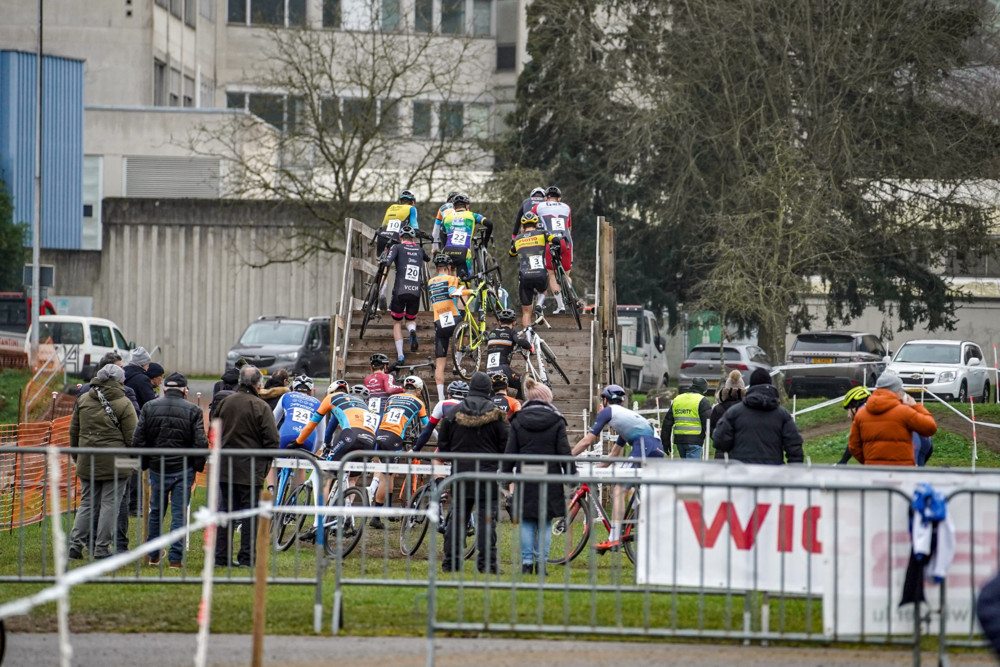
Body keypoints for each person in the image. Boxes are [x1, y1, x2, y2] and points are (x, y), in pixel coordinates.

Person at [571, 384, 664, 552]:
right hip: (655, 448)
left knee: (618, 488)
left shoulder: (608, 412)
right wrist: (595, 471)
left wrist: (568, 456)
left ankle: (614, 537)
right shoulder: (626, 419)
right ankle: (639, 512)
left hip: (644, 446)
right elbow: (612, 456)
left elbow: (587, 441)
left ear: (605, 400)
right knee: (623, 484)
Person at [131, 372, 208, 568]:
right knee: (179, 515)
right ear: (185, 391)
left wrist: (145, 464)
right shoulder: (193, 410)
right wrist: (196, 467)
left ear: (164, 389)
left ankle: (154, 555)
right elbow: (200, 443)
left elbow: (139, 440)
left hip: (157, 468)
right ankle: (176, 559)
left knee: (156, 512)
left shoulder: (149, 407)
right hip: (183, 469)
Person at [437, 371, 510, 574]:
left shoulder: (453, 413)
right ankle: (487, 564)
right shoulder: (497, 415)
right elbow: (506, 444)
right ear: (489, 390)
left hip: (461, 474)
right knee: (487, 520)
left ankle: (451, 563)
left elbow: (443, 445)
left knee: (457, 518)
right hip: (487, 474)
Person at [502, 376, 574, 575]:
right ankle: (541, 564)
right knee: (544, 521)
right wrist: (571, 475)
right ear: (546, 399)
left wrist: (506, 476)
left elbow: (511, 451)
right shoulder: (556, 420)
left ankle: (526, 563)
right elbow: (564, 451)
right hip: (549, 476)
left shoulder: (517, 420)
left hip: (525, 475)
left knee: (526, 521)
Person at [68, 364, 138, 561]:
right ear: (120, 381)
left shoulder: (83, 399)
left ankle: (75, 546)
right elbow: (132, 438)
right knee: (110, 504)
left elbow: (73, 431)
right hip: (118, 461)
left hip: (87, 458)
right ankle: (101, 548)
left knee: (87, 503)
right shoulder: (124, 403)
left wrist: (76, 456)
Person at [213, 365, 280, 568]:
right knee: (249, 515)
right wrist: (265, 461)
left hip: (225, 468)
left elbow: (214, 430)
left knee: (225, 513)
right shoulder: (260, 406)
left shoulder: (225, 402)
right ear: (258, 384)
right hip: (250, 471)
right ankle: (246, 558)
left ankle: (221, 557)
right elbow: (272, 440)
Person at [370, 376, 429, 529]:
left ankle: (388, 510)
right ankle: (375, 517)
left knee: (391, 475)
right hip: (393, 438)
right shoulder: (418, 402)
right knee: (385, 477)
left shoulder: (392, 397)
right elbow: (427, 426)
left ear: (404, 388)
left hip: (380, 434)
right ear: (418, 391)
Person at [711, 368, 804, 465]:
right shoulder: (783, 415)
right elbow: (794, 447)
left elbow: (719, 441)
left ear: (750, 386)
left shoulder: (734, 413)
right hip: (772, 472)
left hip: (742, 472)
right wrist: (793, 472)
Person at [848, 372, 937, 466]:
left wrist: (869, 461)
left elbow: (854, 446)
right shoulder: (904, 412)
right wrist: (915, 406)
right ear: (897, 390)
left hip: (873, 471)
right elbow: (930, 428)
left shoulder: (861, 414)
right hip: (901, 471)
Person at [383, 225, 430, 364]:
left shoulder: (397, 247)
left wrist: (384, 257)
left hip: (400, 291)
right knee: (410, 320)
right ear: (413, 238)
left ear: (400, 238)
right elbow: (427, 259)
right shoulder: (420, 250)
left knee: (397, 322)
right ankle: (411, 331)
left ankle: (401, 356)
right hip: (415, 292)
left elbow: (387, 262)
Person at [427, 253, 468, 401]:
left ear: (437, 269)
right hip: (454, 318)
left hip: (439, 322)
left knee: (440, 364)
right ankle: (458, 360)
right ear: (449, 267)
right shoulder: (452, 278)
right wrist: (470, 291)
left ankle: (440, 398)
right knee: (466, 328)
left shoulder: (430, 282)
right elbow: (452, 293)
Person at [531, 186, 573, 314]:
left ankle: (561, 306)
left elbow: (529, 224)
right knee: (566, 274)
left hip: (550, 241)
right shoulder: (566, 207)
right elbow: (569, 228)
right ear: (559, 198)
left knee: (552, 274)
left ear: (546, 197)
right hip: (566, 242)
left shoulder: (539, 207)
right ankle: (570, 292)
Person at [509, 212, 553, 328]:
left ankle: (528, 341)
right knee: (543, 291)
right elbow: (556, 240)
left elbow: (511, 253)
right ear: (537, 224)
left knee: (526, 312)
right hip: (540, 273)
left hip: (524, 276)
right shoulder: (542, 234)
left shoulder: (518, 239)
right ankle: (539, 304)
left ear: (522, 227)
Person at [376, 189, 420, 307]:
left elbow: (383, 225)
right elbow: (414, 228)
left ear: (400, 202)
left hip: (382, 237)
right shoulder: (411, 209)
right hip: (396, 239)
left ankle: (381, 292)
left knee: (384, 266)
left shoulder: (391, 208)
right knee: (400, 268)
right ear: (412, 202)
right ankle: (395, 296)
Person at [440, 193, 492, 279]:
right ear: (467, 206)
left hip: (447, 252)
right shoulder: (472, 215)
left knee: (449, 282)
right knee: (464, 284)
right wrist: (485, 241)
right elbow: (489, 224)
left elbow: (443, 236)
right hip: (463, 253)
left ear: (453, 208)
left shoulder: (446, 218)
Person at [484, 309, 532, 398]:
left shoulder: (492, 333)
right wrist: (530, 347)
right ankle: (517, 409)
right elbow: (521, 341)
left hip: (488, 370)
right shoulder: (511, 332)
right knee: (524, 383)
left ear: (499, 322)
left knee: (492, 392)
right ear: (514, 323)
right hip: (503, 369)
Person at [663, 377, 712, 459]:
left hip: (680, 440)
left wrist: (665, 441)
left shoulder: (678, 399)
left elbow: (667, 422)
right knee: (691, 469)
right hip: (695, 440)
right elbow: (709, 423)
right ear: (703, 389)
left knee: (685, 467)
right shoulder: (702, 400)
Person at [415, 380, 468, 451]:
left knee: (436, 459)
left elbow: (429, 429)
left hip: (448, 443)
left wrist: (416, 449)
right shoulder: (471, 405)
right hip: (467, 445)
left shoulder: (442, 404)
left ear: (449, 395)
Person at [710, 370, 746, 459]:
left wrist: (719, 440)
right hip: (742, 452)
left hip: (721, 452)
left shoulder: (718, 409)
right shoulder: (748, 409)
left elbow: (711, 429)